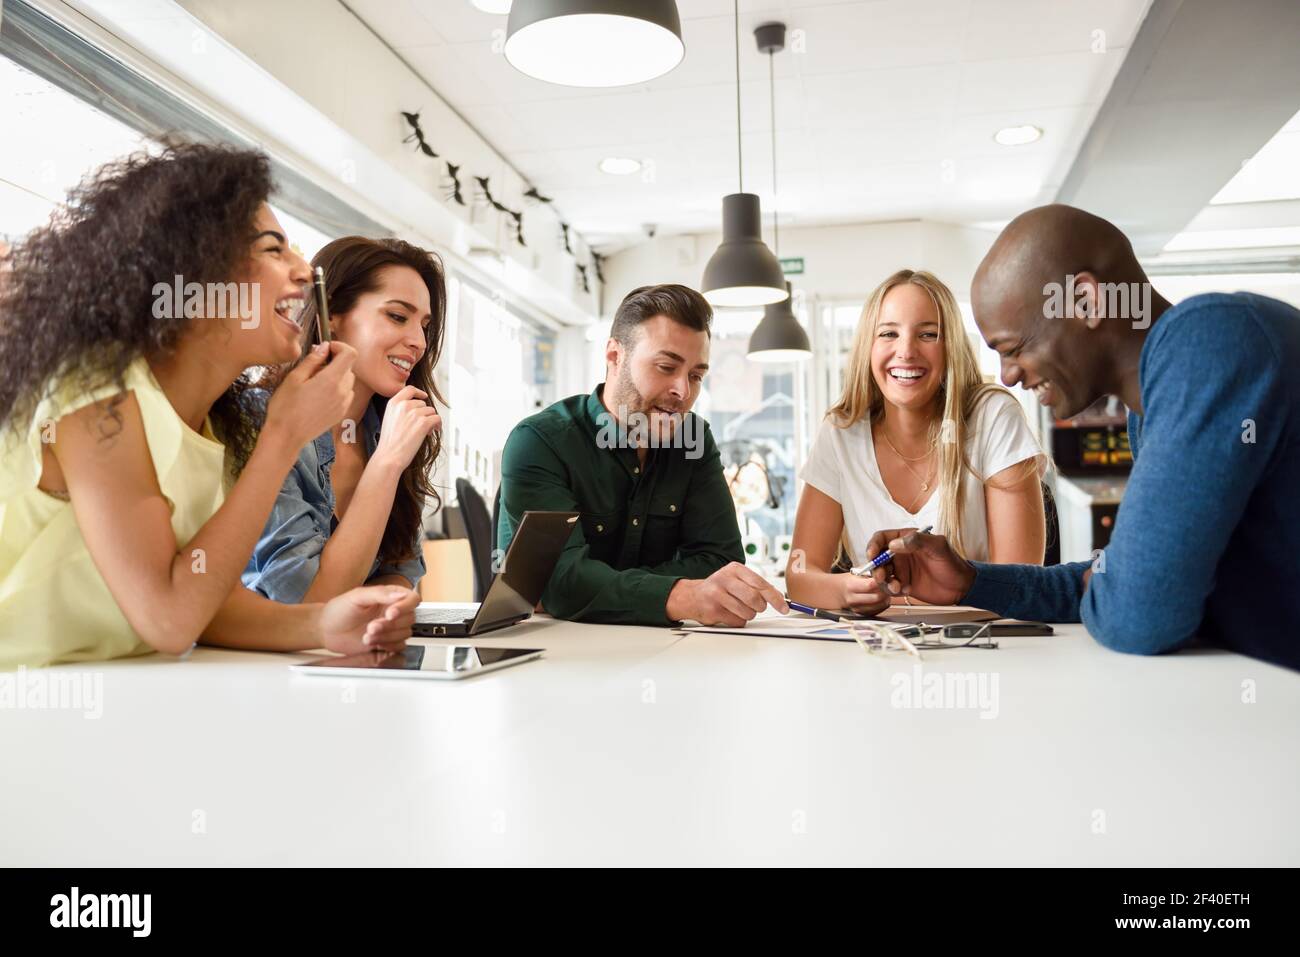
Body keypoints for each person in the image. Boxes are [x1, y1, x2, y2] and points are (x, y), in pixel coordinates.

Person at [0, 144, 418, 670]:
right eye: (274, 249)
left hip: (117, 692)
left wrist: (326, 624)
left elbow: (206, 602)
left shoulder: (219, 423)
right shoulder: (97, 393)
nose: (300, 269)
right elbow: (171, 621)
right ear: (194, 268)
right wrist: (283, 436)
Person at [862, 204, 1300, 669]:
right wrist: (970, 581)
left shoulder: (1212, 342)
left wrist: (1125, 589)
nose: (1009, 377)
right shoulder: (1148, 405)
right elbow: (1120, 578)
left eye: (1014, 349)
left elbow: (1138, 614)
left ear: (1088, 302)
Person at [498, 283, 787, 627]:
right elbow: (558, 582)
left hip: (660, 651)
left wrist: (599, 584)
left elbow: (721, 560)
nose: (683, 391)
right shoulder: (541, 442)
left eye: (696, 376)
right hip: (554, 653)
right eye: (666, 367)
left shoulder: (693, 440)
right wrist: (681, 595)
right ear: (614, 357)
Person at [787, 269, 1045, 614]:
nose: (906, 351)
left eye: (928, 334)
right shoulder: (841, 432)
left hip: (982, 647)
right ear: (868, 346)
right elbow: (799, 574)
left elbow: (1021, 583)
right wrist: (844, 590)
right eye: (888, 333)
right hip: (879, 649)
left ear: (950, 345)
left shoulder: (992, 417)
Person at [243, 236, 445, 602]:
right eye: (398, 316)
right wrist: (386, 464)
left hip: (348, 652)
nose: (418, 341)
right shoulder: (265, 420)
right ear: (331, 317)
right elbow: (303, 600)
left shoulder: (383, 426)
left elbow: (401, 570)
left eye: (425, 325)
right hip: (271, 658)